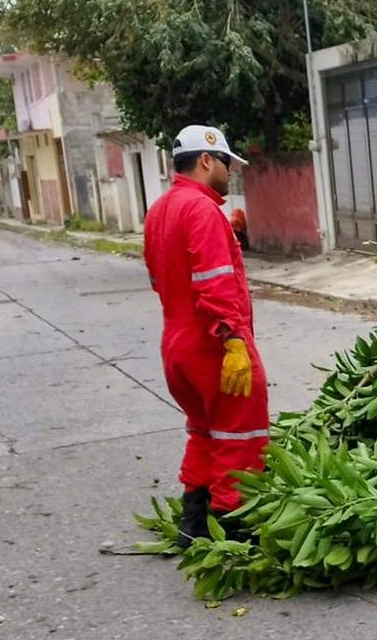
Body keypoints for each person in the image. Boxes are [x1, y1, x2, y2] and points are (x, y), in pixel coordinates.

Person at [143, 125, 267, 543]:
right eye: (226, 163)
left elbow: (159, 281)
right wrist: (232, 341)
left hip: (176, 346)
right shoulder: (202, 210)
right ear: (206, 160)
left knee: (204, 431)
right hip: (213, 345)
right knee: (240, 435)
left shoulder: (160, 210)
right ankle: (232, 530)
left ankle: (194, 524)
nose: (230, 172)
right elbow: (213, 281)